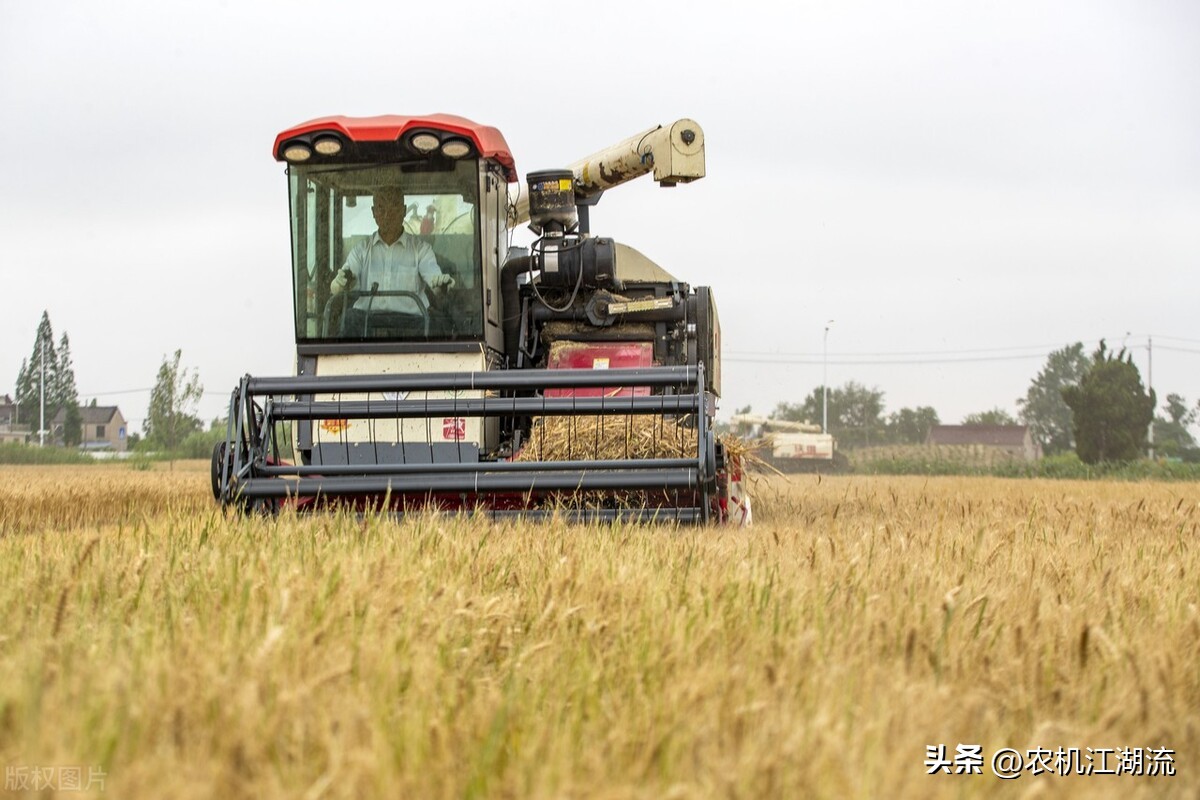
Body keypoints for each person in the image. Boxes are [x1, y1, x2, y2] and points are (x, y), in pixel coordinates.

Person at [330, 186, 455, 336]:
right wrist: (339, 284)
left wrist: (441, 284)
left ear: (404, 211)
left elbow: (433, 278)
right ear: (373, 212)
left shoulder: (421, 250)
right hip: (366, 324)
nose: (387, 214)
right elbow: (343, 280)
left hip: (410, 326)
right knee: (350, 318)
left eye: (394, 207)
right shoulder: (361, 251)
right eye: (381, 208)